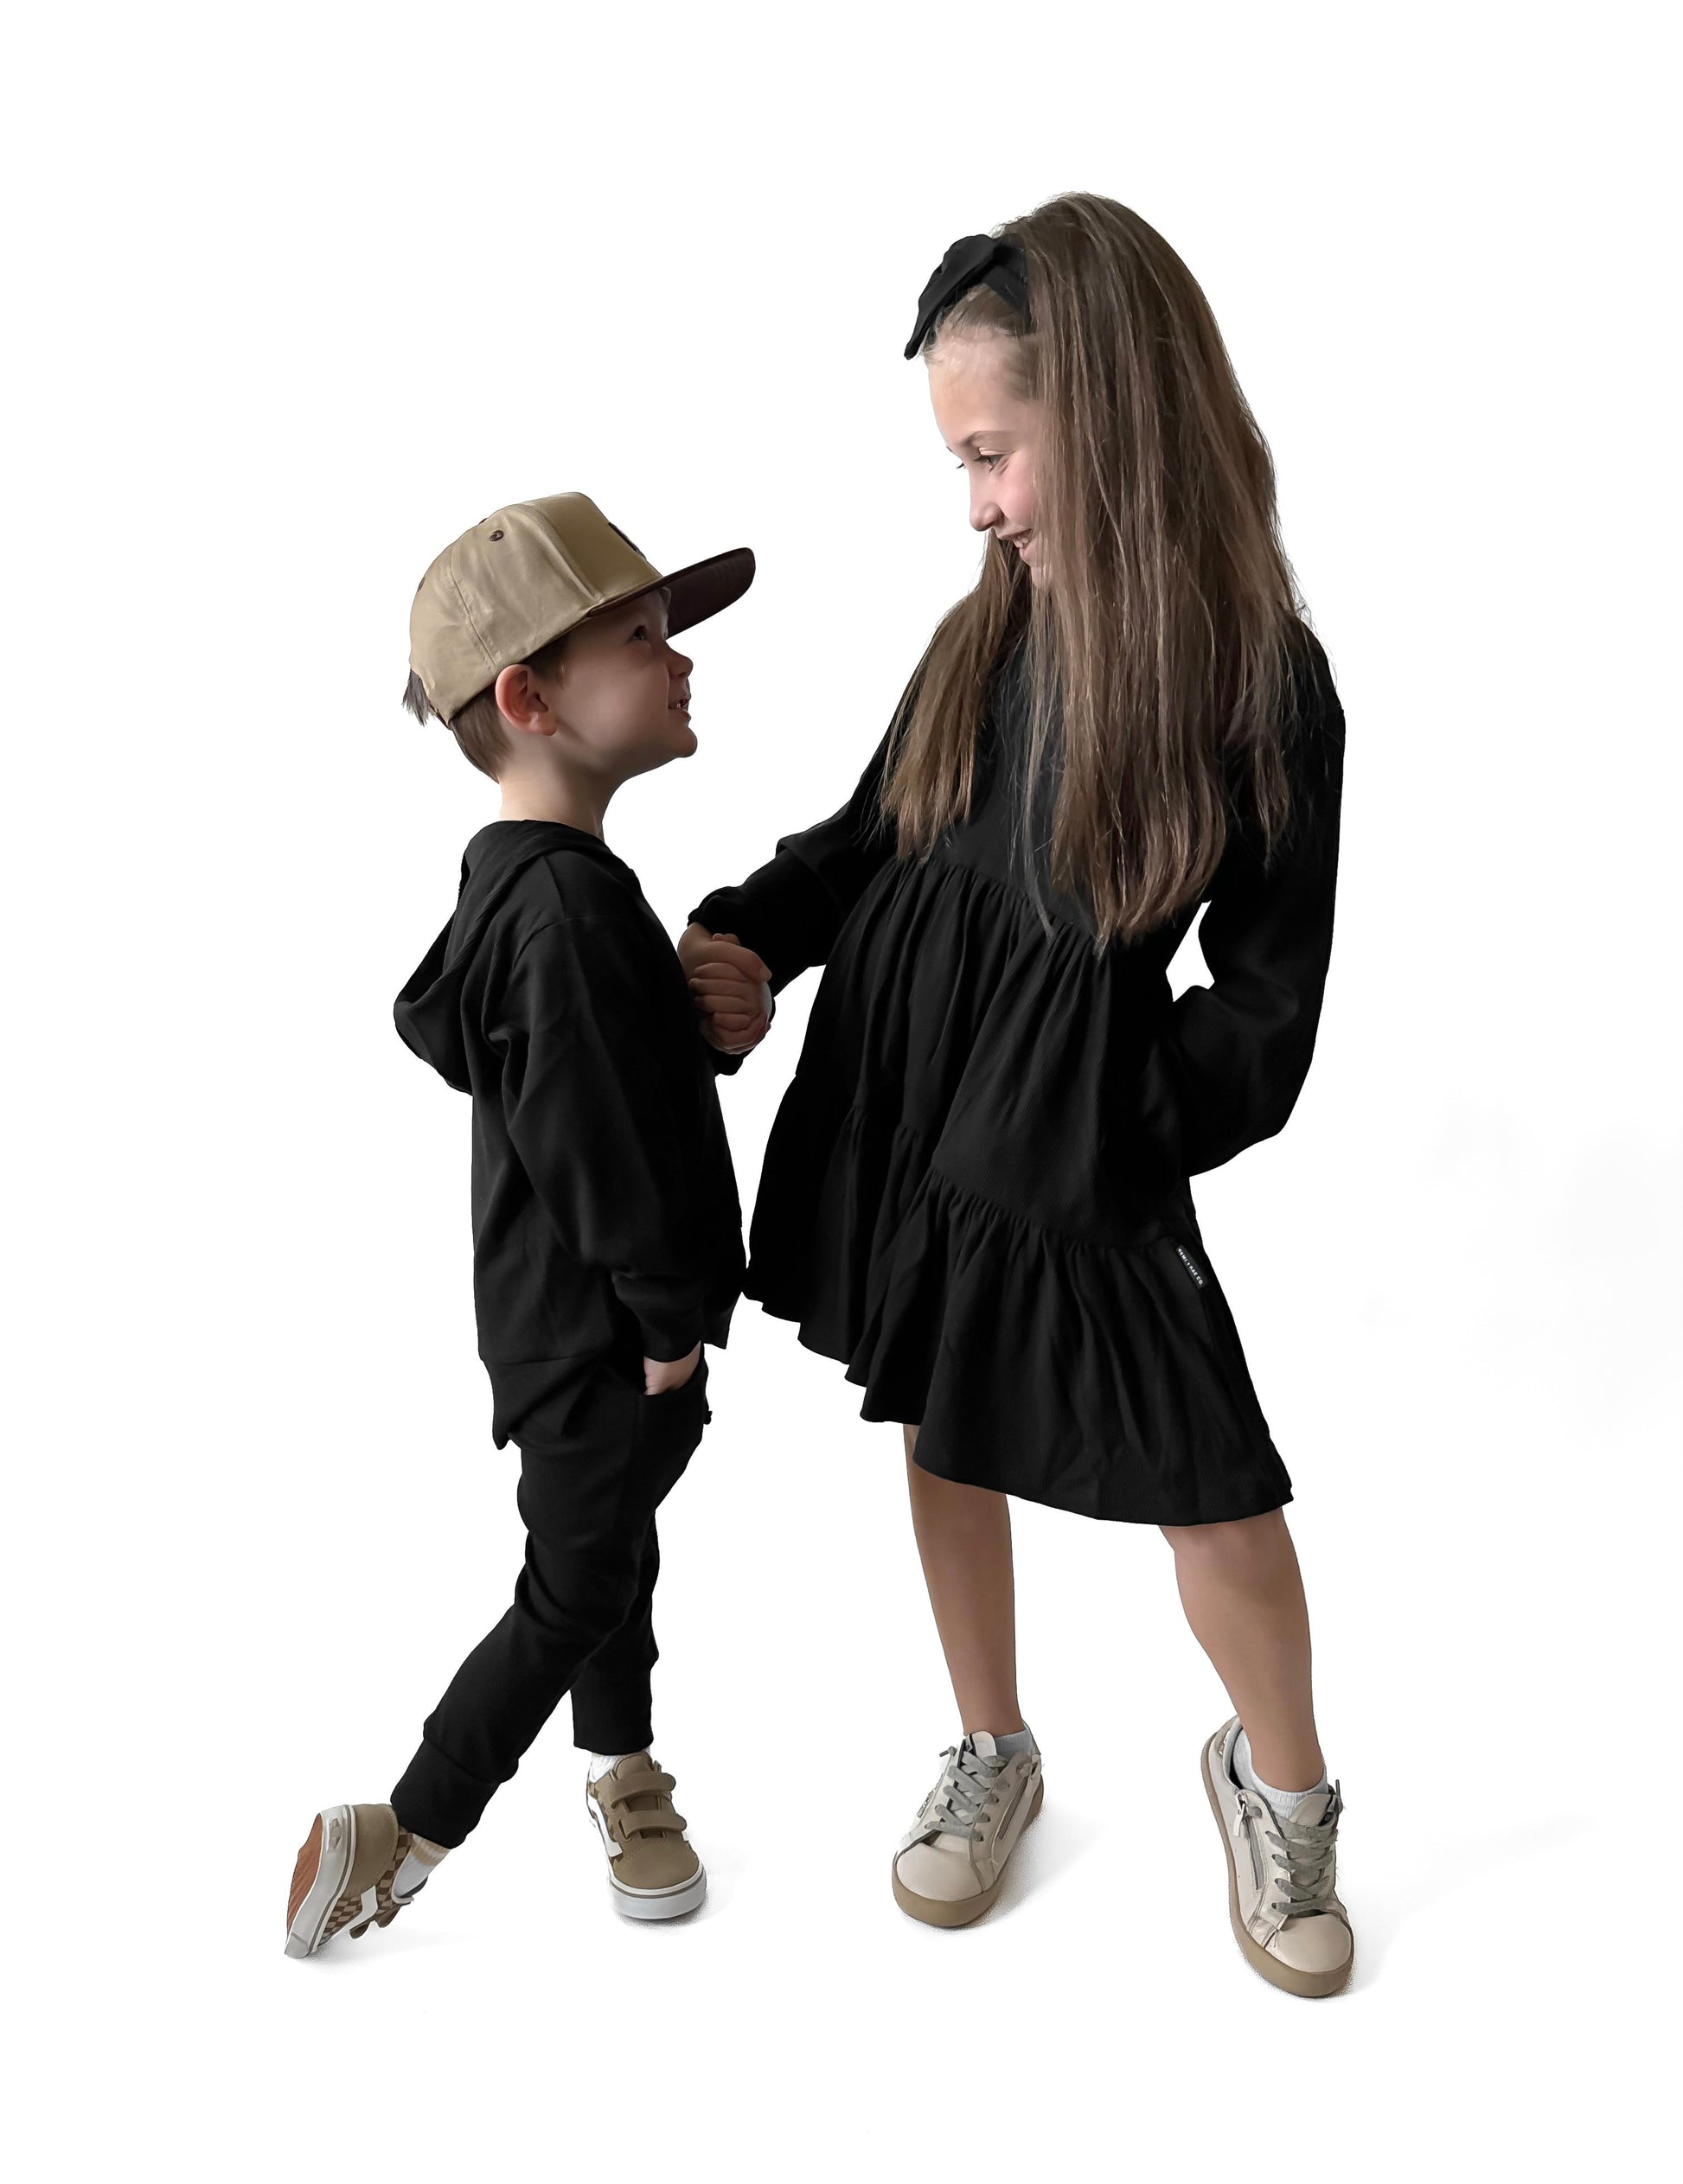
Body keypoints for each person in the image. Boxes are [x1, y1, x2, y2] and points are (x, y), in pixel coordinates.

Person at [681, 197, 1354, 1995]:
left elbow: (1264, 1013)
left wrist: (1115, 1113)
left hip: (1074, 1133)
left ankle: (1282, 1787)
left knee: (1212, 1482)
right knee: (943, 1416)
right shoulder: (980, 637)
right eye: (959, 464)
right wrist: (746, 938)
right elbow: (867, 843)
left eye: (991, 454)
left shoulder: (1255, 679)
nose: (975, 503)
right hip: (908, 1094)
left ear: (1111, 414)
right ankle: (992, 1741)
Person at [285, 493, 754, 1957]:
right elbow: (601, 1158)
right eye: (641, 636)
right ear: (528, 699)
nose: (680, 658)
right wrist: (666, 1335)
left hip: (571, 1325)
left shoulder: (545, 889)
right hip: (603, 1331)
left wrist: (694, 1027)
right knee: (575, 1585)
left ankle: (621, 1765)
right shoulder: (560, 914)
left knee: (610, 1554)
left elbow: (594, 1088)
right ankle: (402, 1830)